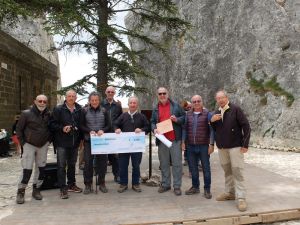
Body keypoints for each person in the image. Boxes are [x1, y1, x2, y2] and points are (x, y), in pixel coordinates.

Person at [210, 90, 251, 212]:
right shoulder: (216, 112)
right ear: (216, 100)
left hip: (235, 146)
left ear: (226, 98)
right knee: (227, 171)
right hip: (222, 147)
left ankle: (241, 198)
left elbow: (246, 126)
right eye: (218, 98)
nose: (221, 100)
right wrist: (212, 121)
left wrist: (245, 144)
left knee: (237, 171)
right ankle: (230, 193)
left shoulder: (235, 109)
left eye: (222, 97)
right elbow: (215, 130)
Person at [15, 95, 51, 204]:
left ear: (46, 103)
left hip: (43, 145)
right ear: (35, 101)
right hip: (29, 144)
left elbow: (52, 128)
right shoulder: (26, 113)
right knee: (27, 169)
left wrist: (49, 141)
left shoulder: (49, 114)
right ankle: (21, 191)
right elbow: (19, 130)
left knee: (41, 169)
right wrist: (23, 144)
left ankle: (36, 189)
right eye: (40, 101)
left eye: (44, 101)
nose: (42, 103)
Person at [151, 87, 185, 196]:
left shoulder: (176, 106)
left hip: (175, 139)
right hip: (162, 140)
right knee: (164, 164)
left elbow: (184, 118)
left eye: (164, 93)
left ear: (168, 93)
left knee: (177, 164)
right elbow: (152, 122)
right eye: (160, 94)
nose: (162, 95)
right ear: (158, 95)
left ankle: (177, 186)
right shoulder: (156, 108)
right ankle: (165, 184)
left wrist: (177, 120)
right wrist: (154, 128)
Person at [50, 90, 83, 199]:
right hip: (61, 142)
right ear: (66, 97)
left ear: (76, 97)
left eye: (73, 96)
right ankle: (63, 188)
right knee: (61, 166)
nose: (71, 98)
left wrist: (81, 139)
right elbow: (52, 124)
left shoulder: (79, 109)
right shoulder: (59, 109)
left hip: (74, 142)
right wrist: (62, 128)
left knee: (72, 165)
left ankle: (71, 184)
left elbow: (82, 125)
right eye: (69, 96)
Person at [114, 96, 149, 193]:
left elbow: (147, 127)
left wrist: (141, 130)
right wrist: (116, 129)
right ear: (128, 104)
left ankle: (135, 183)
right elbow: (115, 124)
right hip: (124, 146)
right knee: (123, 165)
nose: (133, 105)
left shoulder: (142, 117)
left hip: (137, 146)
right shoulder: (123, 116)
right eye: (131, 103)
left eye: (134, 103)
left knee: (136, 165)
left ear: (137, 105)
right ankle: (123, 183)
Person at [182, 95, 214, 198]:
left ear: (202, 102)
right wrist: (183, 141)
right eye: (194, 101)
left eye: (198, 101)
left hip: (204, 146)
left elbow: (212, 130)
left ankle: (207, 189)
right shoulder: (188, 115)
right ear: (191, 103)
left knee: (206, 168)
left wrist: (211, 144)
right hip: (190, 146)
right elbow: (185, 129)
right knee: (193, 168)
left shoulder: (207, 114)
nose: (196, 103)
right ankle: (195, 187)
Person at [80, 91, 109, 194]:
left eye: (96, 100)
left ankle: (101, 183)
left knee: (102, 163)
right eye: (92, 100)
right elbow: (81, 125)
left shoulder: (104, 111)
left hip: (101, 141)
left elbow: (108, 125)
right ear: (89, 101)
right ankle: (88, 184)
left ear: (99, 100)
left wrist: (103, 130)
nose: (94, 102)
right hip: (89, 141)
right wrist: (89, 131)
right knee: (88, 163)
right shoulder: (84, 111)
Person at [101, 86, 123, 183]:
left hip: (114, 135)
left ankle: (117, 175)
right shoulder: (100, 104)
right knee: (102, 158)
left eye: (112, 92)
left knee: (115, 157)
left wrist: (119, 129)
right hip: (103, 134)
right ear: (105, 92)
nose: (110, 93)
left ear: (114, 93)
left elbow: (121, 119)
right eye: (108, 91)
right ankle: (101, 178)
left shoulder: (118, 105)